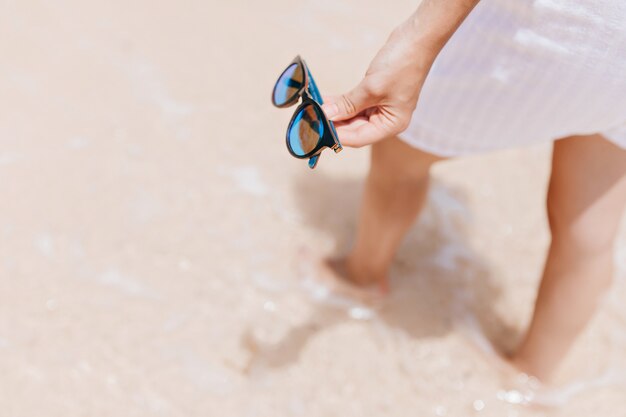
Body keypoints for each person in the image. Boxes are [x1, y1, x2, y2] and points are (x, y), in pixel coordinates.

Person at [317, 0, 626, 383]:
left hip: (564, 32)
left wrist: (417, 40)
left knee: (399, 155)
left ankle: (359, 276)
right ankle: (531, 378)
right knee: (589, 233)